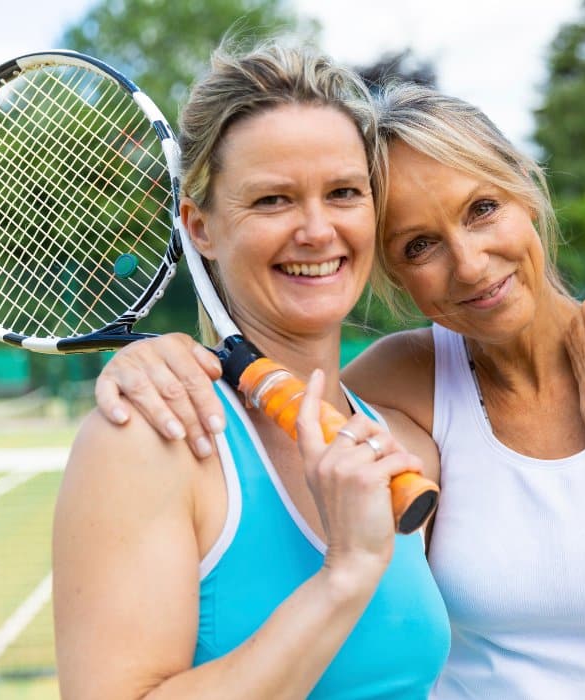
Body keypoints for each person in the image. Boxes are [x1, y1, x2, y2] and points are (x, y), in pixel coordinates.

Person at [95, 81, 585, 698]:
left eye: (482, 209)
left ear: (525, 188)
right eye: (419, 246)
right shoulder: (400, 383)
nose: (469, 264)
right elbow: (267, 440)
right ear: (392, 272)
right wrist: (157, 358)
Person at [53, 44, 450, 699]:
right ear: (200, 227)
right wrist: (344, 576)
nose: (318, 230)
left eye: (344, 193)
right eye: (273, 200)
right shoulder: (147, 443)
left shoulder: (409, 450)